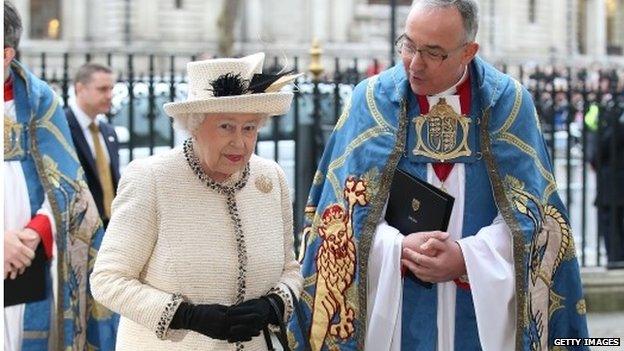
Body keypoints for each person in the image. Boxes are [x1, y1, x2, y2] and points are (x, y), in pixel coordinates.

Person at [289, 1, 589, 350]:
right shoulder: (368, 102)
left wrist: (467, 258)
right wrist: (396, 249)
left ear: (468, 52)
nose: (415, 64)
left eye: (433, 53)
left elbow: (538, 223)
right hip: (395, 317)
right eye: (409, 44)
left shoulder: (508, 104)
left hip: (479, 319)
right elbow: (337, 218)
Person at [90, 52, 303, 350]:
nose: (240, 142)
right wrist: (187, 316)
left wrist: (273, 306)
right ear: (194, 124)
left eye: (250, 128)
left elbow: (290, 270)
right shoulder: (152, 178)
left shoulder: (271, 178)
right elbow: (107, 280)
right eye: (226, 126)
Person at [3, 1, 118, 350]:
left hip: (29, 262)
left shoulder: (41, 104)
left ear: (5, 53)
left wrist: (35, 233)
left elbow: (71, 189)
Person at [65, 63, 120, 227]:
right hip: (78, 228)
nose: (110, 95)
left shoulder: (108, 131)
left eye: (111, 88)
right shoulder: (62, 128)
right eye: (102, 89)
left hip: (111, 225)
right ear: (80, 89)